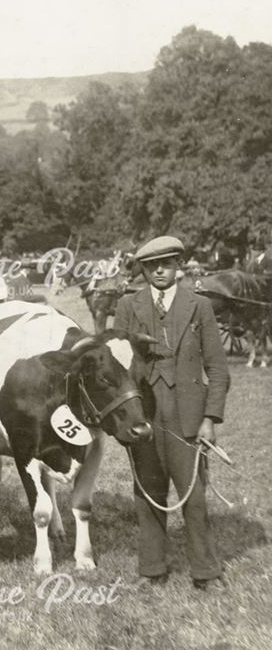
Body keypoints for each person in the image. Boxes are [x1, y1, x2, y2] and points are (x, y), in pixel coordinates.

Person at [114, 235, 230, 591]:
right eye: (151, 265)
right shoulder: (128, 305)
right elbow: (115, 366)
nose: (159, 270)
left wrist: (209, 420)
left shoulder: (199, 306)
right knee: (147, 493)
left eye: (166, 263)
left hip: (188, 416)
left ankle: (206, 573)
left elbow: (218, 369)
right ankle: (152, 570)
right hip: (144, 414)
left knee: (193, 496)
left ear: (179, 265)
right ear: (144, 270)